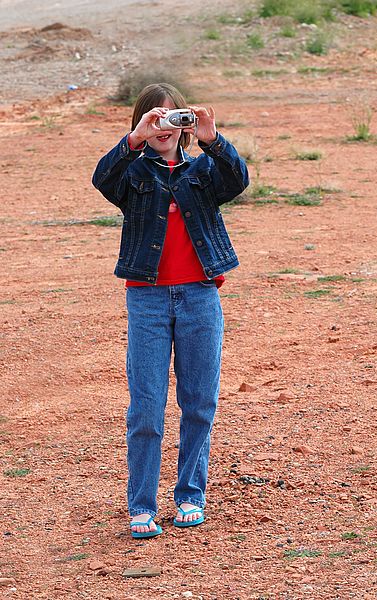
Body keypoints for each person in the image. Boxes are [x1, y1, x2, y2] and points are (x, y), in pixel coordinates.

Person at [92, 83, 249, 538]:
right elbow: (102, 178)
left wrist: (213, 139)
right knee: (146, 405)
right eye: (153, 119)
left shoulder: (202, 171)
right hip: (148, 299)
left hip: (200, 295)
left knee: (199, 401)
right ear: (143, 124)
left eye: (172, 118)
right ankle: (141, 504)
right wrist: (134, 140)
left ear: (185, 124)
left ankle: (190, 494)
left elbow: (238, 179)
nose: (165, 127)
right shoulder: (132, 175)